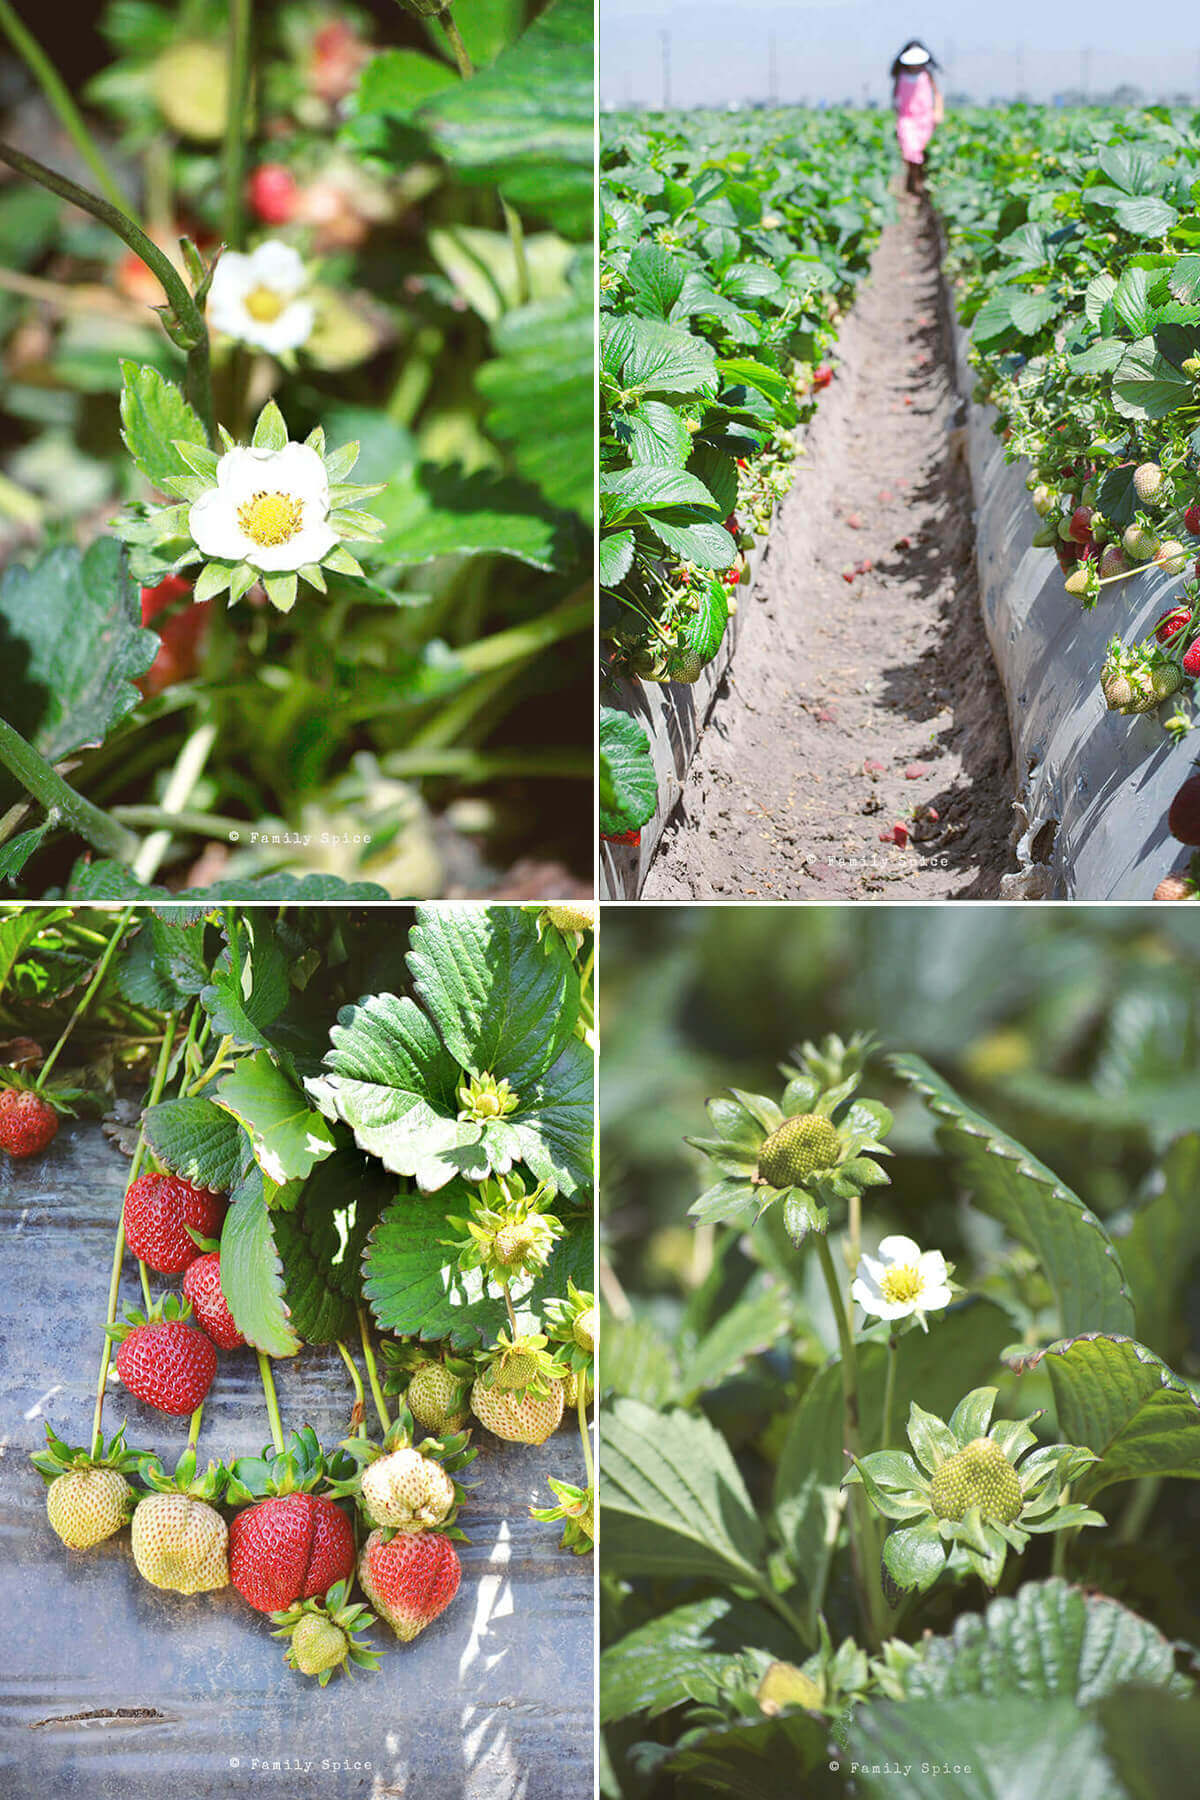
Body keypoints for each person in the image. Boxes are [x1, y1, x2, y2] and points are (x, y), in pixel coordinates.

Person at [890, 40, 944, 196]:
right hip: (907, 118)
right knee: (909, 150)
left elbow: (937, 94)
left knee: (920, 151)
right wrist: (897, 116)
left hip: (924, 118)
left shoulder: (926, 74)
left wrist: (938, 112)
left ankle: (918, 179)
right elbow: (895, 97)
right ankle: (913, 178)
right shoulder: (901, 75)